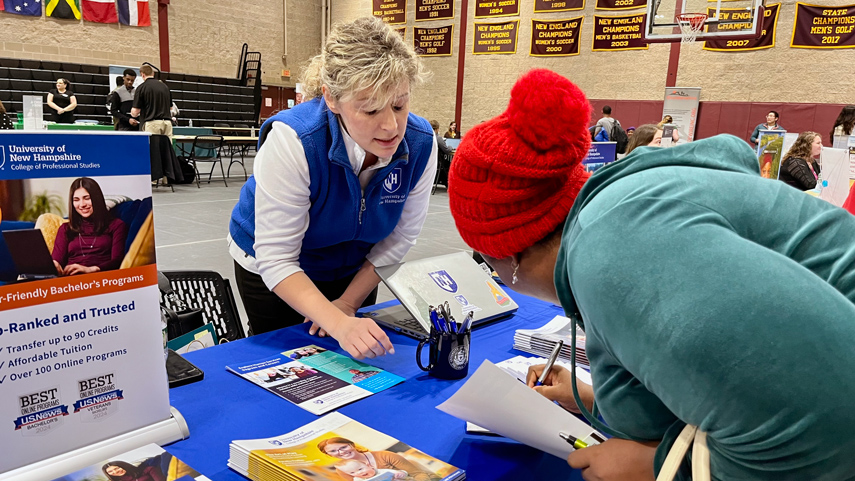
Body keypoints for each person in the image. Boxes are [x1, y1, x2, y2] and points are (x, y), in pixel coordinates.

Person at [448, 69, 855, 480]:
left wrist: (655, 468)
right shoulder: (619, 211)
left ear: (512, 256)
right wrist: (590, 398)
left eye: (491, 264)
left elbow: (829, 421)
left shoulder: (612, 248)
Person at [228, 17, 437, 360]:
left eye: (400, 104)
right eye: (369, 109)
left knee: (352, 362)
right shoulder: (295, 140)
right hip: (273, 266)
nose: (391, 126)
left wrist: (348, 304)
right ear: (332, 99)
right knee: (288, 365)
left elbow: (399, 238)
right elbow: (277, 258)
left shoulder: (420, 144)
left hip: (354, 267)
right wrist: (339, 324)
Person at [52, 177, 128, 276]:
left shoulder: (116, 225)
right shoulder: (65, 228)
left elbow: (118, 261)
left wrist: (91, 269)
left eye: (87, 198)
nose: (82, 204)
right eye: (76, 200)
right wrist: (53, 265)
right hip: (71, 281)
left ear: (97, 198)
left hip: (100, 279)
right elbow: (57, 261)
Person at [318, 437, 433, 481]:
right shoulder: (342, 469)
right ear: (329, 455)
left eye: (343, 447)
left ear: (352, 445)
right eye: (333, 451)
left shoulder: (384, 455)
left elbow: (419, 475)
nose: (342, 452)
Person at [131, 65, 173, 139]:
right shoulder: (165, 87)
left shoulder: (142, 87)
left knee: (153, 149)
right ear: (153, 73)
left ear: (142, 74)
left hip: (152, 124)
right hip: (167, 123)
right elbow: (171, 108)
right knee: (167, 149)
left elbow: (135, 112)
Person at [335, 460, 408, 481]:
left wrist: (401, 474)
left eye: (360, 469)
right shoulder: (357, 479)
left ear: (369, 465)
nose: (359, 472)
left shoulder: (382, 471)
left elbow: (402, 473)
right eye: (352, 472)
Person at [430, 120, 452, 186]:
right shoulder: (438, 138)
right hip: (438, 162)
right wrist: (450, 147)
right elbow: (447, 150)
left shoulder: (426, 137)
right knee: (450, 164)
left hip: (429, 161)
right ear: (437, 129)